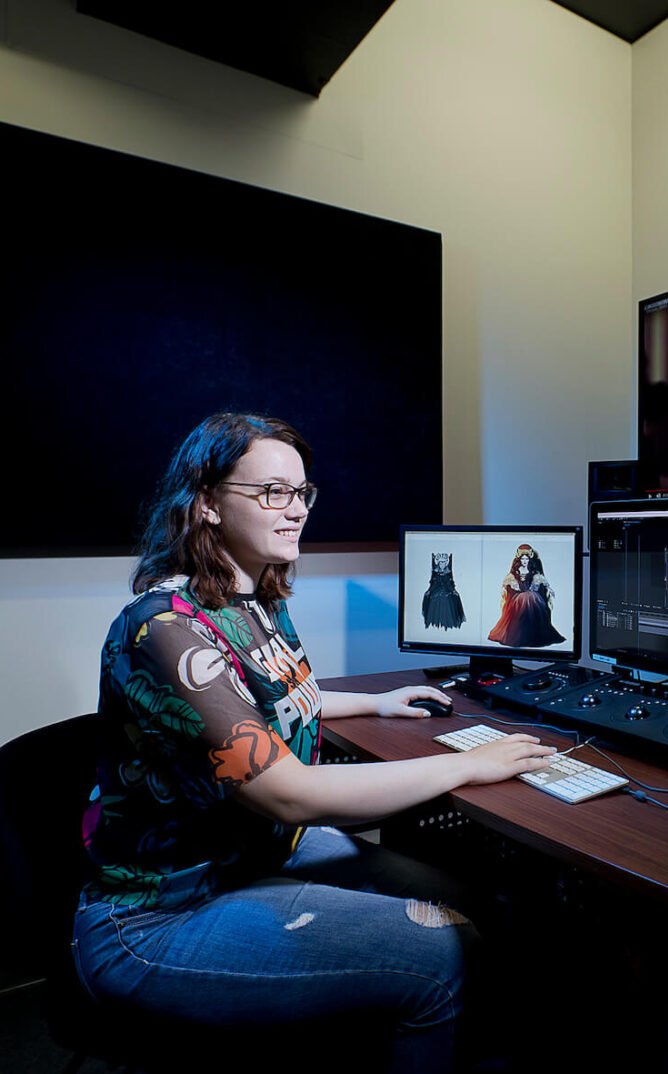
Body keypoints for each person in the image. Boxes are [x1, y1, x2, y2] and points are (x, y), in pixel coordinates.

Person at [72, 412, 555, 1073]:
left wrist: (374, 701)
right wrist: (470, 765)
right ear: (207, 502)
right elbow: (290, 795)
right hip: (157, 919)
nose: (295, 509)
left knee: (467, 898)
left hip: (251, 858)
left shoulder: (254, 594)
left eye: (302, 493)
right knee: (445, 955)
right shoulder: (163, 631)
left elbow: (265, 699)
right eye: (272, 492)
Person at [487, 545, 565, 648]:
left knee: (529, 597)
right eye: (522, 559)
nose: (524, 561)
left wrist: (549, 590)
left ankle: (533, 635)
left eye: (526, 559)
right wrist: (504, 589)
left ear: (529, 559)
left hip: (533, 599)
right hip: (517, 600)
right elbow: (506, 587)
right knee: (525, 598)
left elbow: (545, 585)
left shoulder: (534, 574)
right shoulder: (513, 574)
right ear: (519, 560)